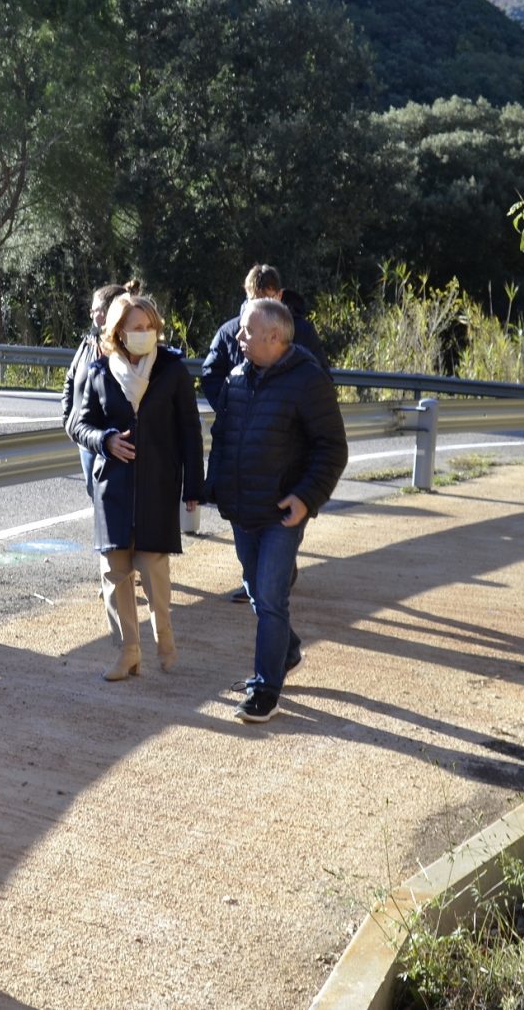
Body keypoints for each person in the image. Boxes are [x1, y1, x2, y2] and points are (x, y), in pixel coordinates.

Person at [205, 298, 347, 723]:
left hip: (282, 514)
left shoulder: (308, 380)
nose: (238, 337)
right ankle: (286, 650)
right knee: (255, 589)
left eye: (246, 331)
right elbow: (225, 439)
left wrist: (306, 497)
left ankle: (265, 688)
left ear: (274, 337)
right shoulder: (235, 376)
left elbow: (332, 448)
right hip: (242, 509)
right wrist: (211, 490)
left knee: (269, 595)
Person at [67, 283, 205, 680]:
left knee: (152, 568)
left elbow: (190, 431)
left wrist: (193, 487)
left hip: (158, 486)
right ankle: (127, 650)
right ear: (116, 332)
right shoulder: (97, 371)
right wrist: (105, 440)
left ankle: (165, 640)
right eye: (134, 326)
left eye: (148, 325)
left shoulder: (173, 371)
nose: (142, 331)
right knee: (114, 571)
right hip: (113, 486)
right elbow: (79, 422)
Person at [200, 264, 328, 414]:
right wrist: (230, 410)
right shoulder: (228, 333)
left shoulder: (302, 331)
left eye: (267, 300)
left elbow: (321, 380)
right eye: (255, 301)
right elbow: (211, 375)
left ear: (279, 295)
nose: (261, 308)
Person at [60, 282, 127, 495]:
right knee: (94, 494)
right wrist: (69, 419)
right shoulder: (88, 342)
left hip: (114, 442)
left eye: (96, 309)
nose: (92, 315)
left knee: (111, 501)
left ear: (110, 312)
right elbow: (70, 380)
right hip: (87, 439)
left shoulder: (129, 349)